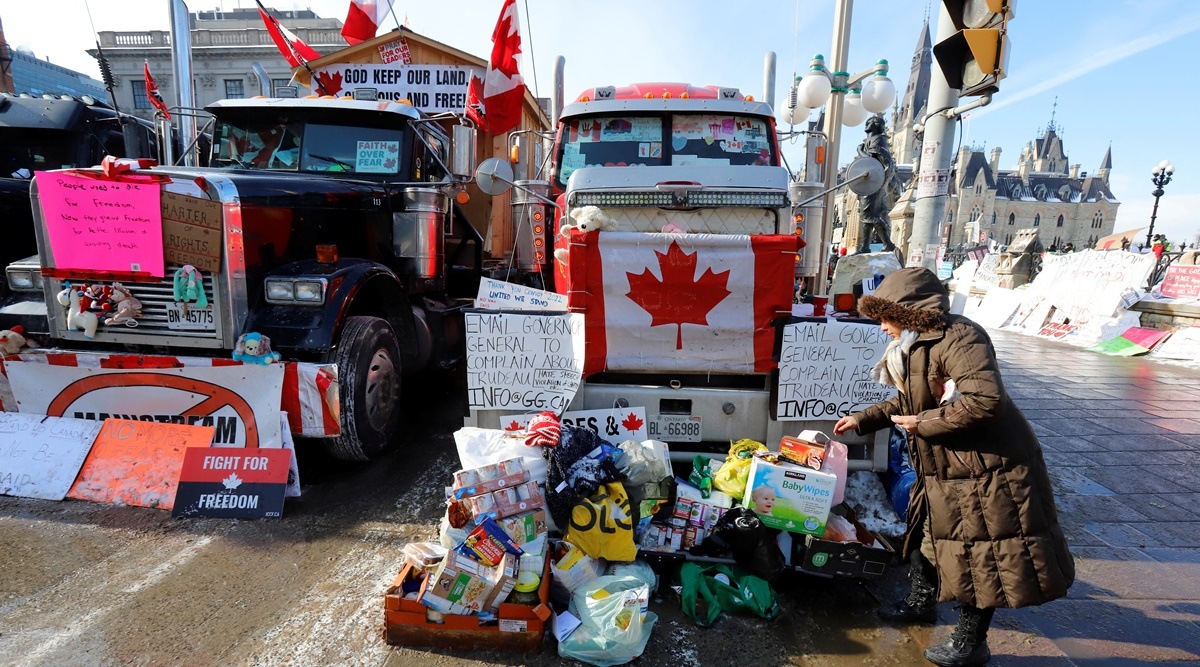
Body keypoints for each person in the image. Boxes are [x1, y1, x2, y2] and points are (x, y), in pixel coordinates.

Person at [833, 268, 1074, 667]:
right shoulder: (915, 343)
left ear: (907, 312)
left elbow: (985, 400)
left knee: (981, 554)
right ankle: (921, 602)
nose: (881, 329)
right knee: (928, 534)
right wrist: (866, 418)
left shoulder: (961, 337)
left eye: (885, 318)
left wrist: (922, 424)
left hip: (987, 466)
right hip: (948, 464)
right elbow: (911, 401)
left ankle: (970, 642)